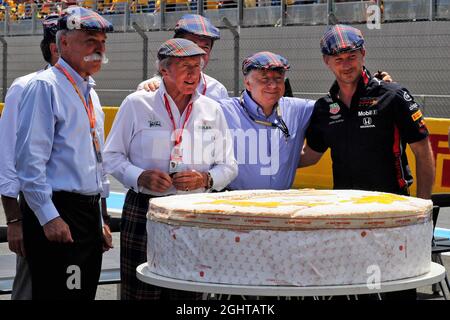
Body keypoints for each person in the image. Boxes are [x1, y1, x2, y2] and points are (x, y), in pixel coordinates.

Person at [300, 25, 435, 299]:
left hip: (393, 211)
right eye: (338, 59)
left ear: (363, 53)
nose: (345, 64)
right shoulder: (324, 107)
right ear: (327, 62)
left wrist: (422, 208)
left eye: (351, 56)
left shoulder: (393, 95)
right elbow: (310, 157)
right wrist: (264, 162)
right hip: (346, 216)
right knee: (356, 290)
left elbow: (423, 152)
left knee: (398, 290)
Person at [103, 38, 238, 300]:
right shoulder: (136, 104)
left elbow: (229, 165)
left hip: (194, 211)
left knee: (188, 294)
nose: (193, 74)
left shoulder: (212, 110)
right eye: (185, 66)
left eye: (197, 67)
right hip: (146, 208)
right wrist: (139, 176)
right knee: (142, 292)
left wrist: (206, 178)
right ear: (164, 70)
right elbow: (111, 156)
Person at [14, 6, 114, 300]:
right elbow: (30, 163)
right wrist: (49, 217)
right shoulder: (45, 87)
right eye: (90, 40)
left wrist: (100, 219)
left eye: (102, 43)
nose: (98, 49)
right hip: (60, 211)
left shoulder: (89, 92)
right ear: (63, 43)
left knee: (82, 294)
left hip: (86, 213)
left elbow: (94, 163)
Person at [0, 13, 59, 301]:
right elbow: (8, 158)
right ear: (55, 47)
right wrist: (13, 220)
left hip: (78, 210)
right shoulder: (25, 87)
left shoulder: (86, 90)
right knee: (31, 287)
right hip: (37, 207)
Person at [219, 51, 315, 190]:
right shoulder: (222, 111)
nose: (273, 85)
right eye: (264, 79)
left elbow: (331, 109)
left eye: (278, 79)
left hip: (280, 205)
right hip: (236, 204)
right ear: (248, 83)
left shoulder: (299, 110)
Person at [137, 13, 229, 101]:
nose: (199, 52)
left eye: (205, 47)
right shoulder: (150, 89)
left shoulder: (218, 91)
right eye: (192, 44)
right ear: (176, 45)